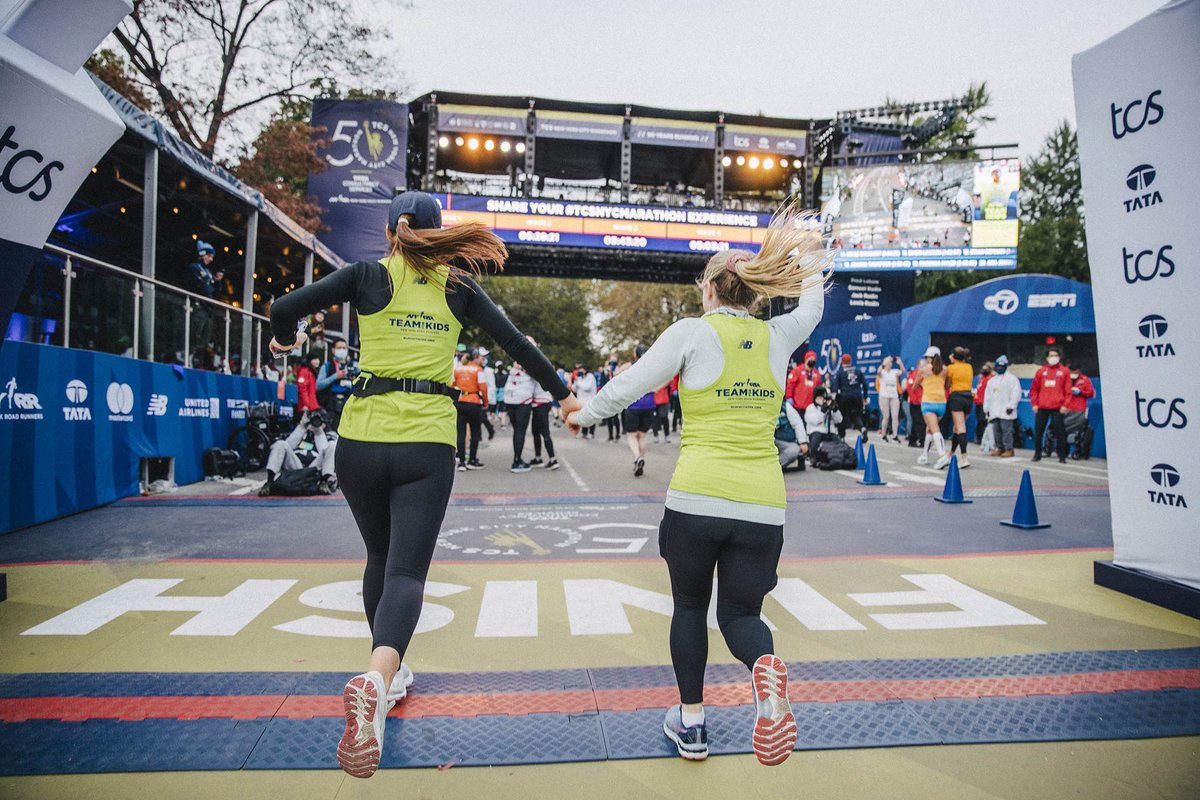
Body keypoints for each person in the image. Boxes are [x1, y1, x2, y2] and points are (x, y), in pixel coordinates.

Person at [268, 190, 579, 779]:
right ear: (437, 234)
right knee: (407, 572)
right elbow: (516, 344)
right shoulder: (456, 287)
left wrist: (286, 342)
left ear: (392, 231)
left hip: (360, 438)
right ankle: (380, 675)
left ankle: (387, 673)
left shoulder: (365, 275)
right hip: (427, 442)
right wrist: (564, 396)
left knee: (379, 558)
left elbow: (285, 307)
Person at [568, 204, 827, 766]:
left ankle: (692, 723)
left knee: (689, 608)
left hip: (695, 500)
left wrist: (580, 416)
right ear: (756, 294)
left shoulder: (692, 332)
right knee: (741, 617)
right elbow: (812, 301)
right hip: (762, 505)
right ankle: (764, 672)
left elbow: (627, 386)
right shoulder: (778, 336)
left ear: (708, 289)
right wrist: (809, 252)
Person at [258, 410, 339, 495]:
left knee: (332, 445)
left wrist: (318, 432)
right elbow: (288, 445)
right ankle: (269, 482)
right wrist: (302, 427)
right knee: (280, 443)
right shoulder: (301, 432)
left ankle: (325, 482)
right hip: (296, 466)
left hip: (314, 468)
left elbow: (325, 452)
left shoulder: (329, 435)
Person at [185, 240, 223, 365]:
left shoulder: (209, 273)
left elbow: (215, 292)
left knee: (205, 336)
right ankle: (187, 355)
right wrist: (210, 288)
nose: (211, 259)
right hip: (197, 307)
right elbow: (201, 287)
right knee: (195, 332)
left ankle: (197, 357)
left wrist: (217, 281)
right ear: (202, 254)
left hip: (208, 310)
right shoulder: (194, 268)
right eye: (209, 256)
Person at [1030, 348, 1070, 464]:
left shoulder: (1064, 371)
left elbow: (1068, 391)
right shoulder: (1041, 371)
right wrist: (1034, 404)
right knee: (1038, 431)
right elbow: (1034, 390)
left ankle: (1062, 456)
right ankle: (1037, 454)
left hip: (1058, 407)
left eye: (1056, 355)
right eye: (1051, 355)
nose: (1054, 357)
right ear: (1047, 358)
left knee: (1060, 432)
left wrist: (1065, 405)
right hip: (1042, 407)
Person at [622, 345, 656, 476]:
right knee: (642, 435)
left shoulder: (628, 366)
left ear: (635, 354)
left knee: (631, 435)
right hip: (649, 404)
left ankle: (638, 458)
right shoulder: (653, 367)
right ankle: (640, 460)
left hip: (633, 404)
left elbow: (614, 375)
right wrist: (656, 388)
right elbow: (668, 379)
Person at [452, 349, 489, 471]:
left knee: (460, 433)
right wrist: (486, 403)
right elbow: (483, 388)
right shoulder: (478, 370)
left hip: (460, 402)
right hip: (474, 402)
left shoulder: (457, 369)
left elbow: (452, 385)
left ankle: (461, 462)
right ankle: (472, 460)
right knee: (475, 432)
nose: (482, 360)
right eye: (480, 358)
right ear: (475, 358)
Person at [917, 346, 951, 468]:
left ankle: (942, 456)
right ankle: (925, 454)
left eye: (927, 357)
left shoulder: (923, 370)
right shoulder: (945, 369)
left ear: (929, 357)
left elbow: (915, 385)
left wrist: (923, 384)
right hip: (941, 402)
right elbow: (947, 386)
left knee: (934, 428)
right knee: (930, 428)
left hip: (928, 402)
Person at [983, 355, 1020, 458]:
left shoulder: (1012, 379)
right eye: (998, 366)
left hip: (1006, 410)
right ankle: (1000, 448)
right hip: (994, 410)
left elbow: (1016, 393)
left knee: (1007, 431)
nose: (999, 368)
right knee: (997, 431)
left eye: (1002, 366)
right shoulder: (992, 380)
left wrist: (1011, 406)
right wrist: (987, 409)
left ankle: (1009, 449)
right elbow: (987, 396)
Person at [316, 339, 355, 430]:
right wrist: (335, 377)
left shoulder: (353, 366)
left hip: (348, 406)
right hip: (330, 406)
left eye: (344, 348)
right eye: (339, 348)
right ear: (333, 350)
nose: (342, 350)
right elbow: (318, 385)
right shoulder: (327, 366)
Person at [946, 346, 975, 467]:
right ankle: (951, 453)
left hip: (957, 396)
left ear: (954, 356)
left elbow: (947, 385)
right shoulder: (969, 367)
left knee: (960, 427)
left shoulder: (951, 368)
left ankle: (964, 458)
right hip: (968, 397)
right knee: (957, 429)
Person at [830, 353, 868, 442]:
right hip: (857, 397)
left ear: (842, 362)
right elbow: (865, 384)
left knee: (841, 416)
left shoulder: (840, 372)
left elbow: (835, 388)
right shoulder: (858, 371)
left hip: (845, 397)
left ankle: (841, 436)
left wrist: (833, 399)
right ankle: (862, 428)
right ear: (850, 361)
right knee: (856, 415)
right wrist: (865, 397)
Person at [1063, 362, 1096, 460]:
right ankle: (1063, 451)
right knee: (1062, 431)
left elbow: (1091, 393)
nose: (1073, 373)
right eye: (1071, 371)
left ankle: (1080, 451)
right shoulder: (1065, 379)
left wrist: (1081, 392)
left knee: (1081, 432)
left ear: (1079, 371)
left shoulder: (1085, 380)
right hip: (1067, 409)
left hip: (1079, 410)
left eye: (1075, 371)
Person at [804, 385, 842, 455]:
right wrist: (822, 412)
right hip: (815, 432)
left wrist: (835, 410)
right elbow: (813, 421)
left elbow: (839, 420)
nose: (821, 399)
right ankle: (813, 456)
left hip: (829, 432)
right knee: (816, 438)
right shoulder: (810, 408)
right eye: (819, 397)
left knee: (838, 441)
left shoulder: (828, 407)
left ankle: (839, 457)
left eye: (822, 397)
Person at [875, 356, 904, 442]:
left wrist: (900, 363)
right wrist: (884, 363)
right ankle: (884, 434)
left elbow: (902, 371)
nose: (890, 364)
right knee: (886, 416)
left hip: (894, 396)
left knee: (895, 416)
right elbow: (878, 372)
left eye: (890, 363)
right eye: (888, 363)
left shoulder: (894, 372)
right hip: (884, 395)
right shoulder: (882, 372)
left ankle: (895, 435)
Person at [785, 350, 822, 417]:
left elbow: (819, 389)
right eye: (810, 359)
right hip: (797, 406)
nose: (812, 361)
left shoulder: (816, 374)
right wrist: (789, 397)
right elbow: (790, 386)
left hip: (811, 408)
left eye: (814, 359)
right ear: (806, 359)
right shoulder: (797, 370)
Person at [775, 399, 808, 470]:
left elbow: (797, 424)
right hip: (766, 441)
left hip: (785, 442)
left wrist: (802, 442)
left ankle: (774, 468)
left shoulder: (786, 406)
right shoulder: (761, 405)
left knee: (794, 450)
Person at [571, 365, 598, 438]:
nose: (580, 371)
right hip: (581, 401)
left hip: (589, 400)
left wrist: (578, 382)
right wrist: (576, 381)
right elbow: (574, 389)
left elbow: (587, 387)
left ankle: (591, 433)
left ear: (585, 370)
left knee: (590, 417)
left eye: (581, 370)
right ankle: (584, 432)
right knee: (583, 417)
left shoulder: (590, 376)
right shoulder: (580, 378)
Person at [905, 361, 925, 448]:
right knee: (919, 422)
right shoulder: (915, 374)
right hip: (916, 402)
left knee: (916, 422)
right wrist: (915, 400)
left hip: (921, 401)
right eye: (923, 366)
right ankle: (921, 440)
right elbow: (911, 389)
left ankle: (912, 440)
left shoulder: (923, 374)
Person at [973, 361, 993, 444]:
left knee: (983, 421)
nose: (984, 370)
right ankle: (979, 437)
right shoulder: (981, 378)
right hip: (978, 402)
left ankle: (983, 438)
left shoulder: (991, 378)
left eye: (986, 369)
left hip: (985, 403)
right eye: (983, 368)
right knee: (979, 421)